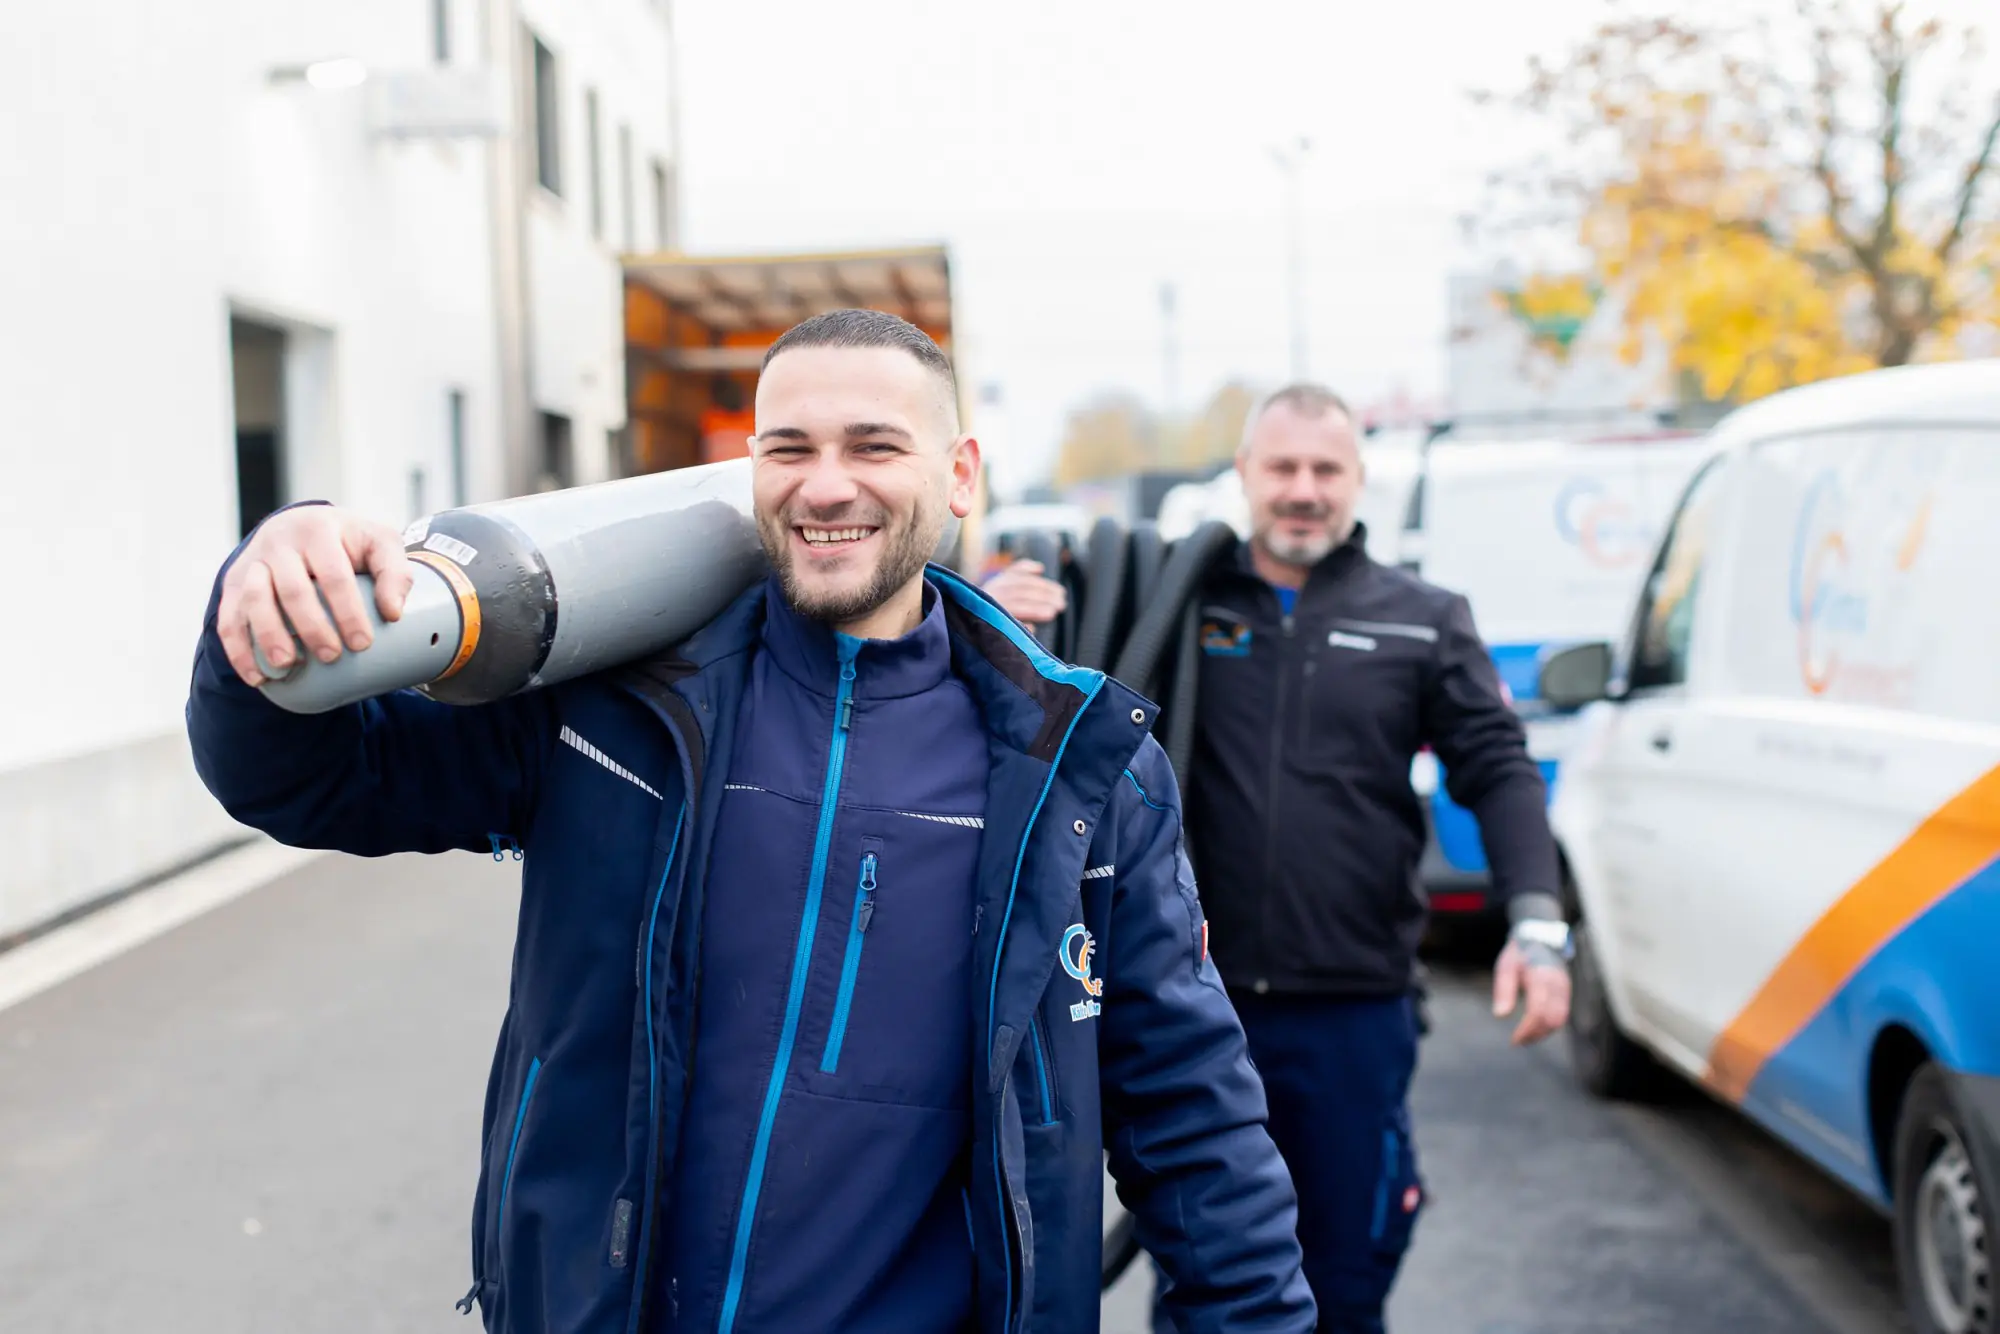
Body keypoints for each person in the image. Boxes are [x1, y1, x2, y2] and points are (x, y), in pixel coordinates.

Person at [185, 309, 1316, 1334]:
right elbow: (307, 776)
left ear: (959, 474)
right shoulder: (612, 714)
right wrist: (275, 577)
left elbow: (1195, 1121)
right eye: (789, 448)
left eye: (874, 445)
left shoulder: (1080, 775)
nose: (827, 485)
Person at [984, 384, 1573, 1334]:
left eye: (1325, 469)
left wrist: (1538, 923)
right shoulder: (1173, 605)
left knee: (1345, 1268)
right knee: (1205, 1274)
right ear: (1247, 477)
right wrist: (993, 619)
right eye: (1282, 468)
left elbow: (1497, 768)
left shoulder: (1422, 616)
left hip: (1353, 1010)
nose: (1303, 490)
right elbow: (1036, 704)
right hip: (1190, 1005)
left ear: (1357, 479)